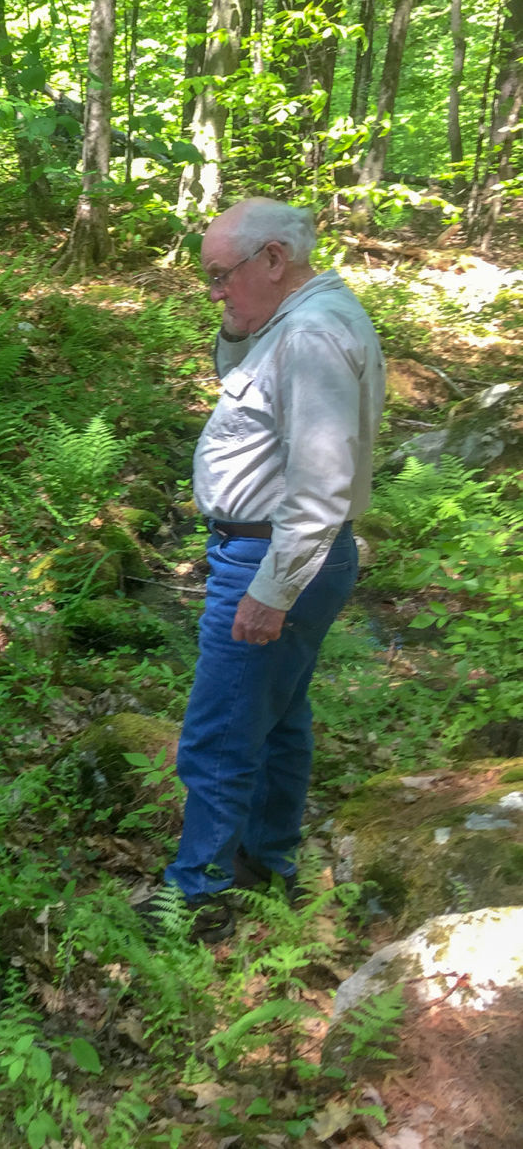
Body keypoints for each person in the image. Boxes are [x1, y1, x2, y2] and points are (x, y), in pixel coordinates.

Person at [155, 197, 385, 942]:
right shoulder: (293, 319)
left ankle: (199, 898)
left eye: (221, 276)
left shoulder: (314, 335)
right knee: (279, 723)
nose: (214, 291)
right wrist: (234, 317)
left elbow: (320, 485)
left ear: (274, 260)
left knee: (219, 734)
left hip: (274, 554)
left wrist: (271, 590)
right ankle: (268, 865)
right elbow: (243, 369)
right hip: (273, 551)